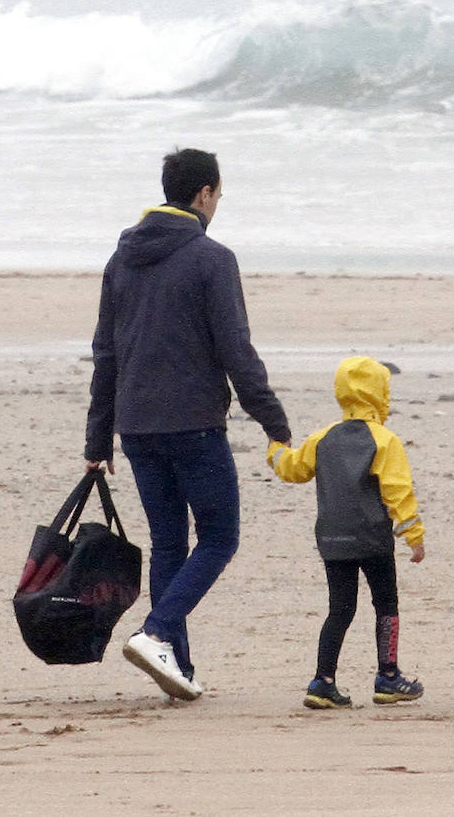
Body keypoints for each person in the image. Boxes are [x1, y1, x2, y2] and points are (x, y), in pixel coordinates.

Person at [84, 147, 291, 702]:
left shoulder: (121, 257)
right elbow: (236, 351)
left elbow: (106, 354)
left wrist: (98, 438)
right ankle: (155, 633)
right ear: (203, 194)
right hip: (194, 424)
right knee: (220, 537)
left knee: (170, 543)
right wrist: (273, 420)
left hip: (135, 426)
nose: (219, 205)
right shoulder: (211, 258)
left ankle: (177, 666)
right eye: (219, 195)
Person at [266, 355, 426, 710]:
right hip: (373, 540)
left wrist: (275, 449)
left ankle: (323, 680)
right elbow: (397, 491)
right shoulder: (384, 440)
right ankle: (388, 676)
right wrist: (413, 533)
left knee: (340, 609)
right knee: (386, 605)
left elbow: (292, 468)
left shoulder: (323, 438)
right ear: (380, 393)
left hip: (333, 539)